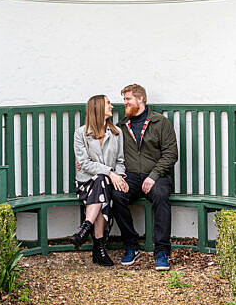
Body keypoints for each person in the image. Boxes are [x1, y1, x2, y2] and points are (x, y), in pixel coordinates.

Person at [112, 83, 178, 271]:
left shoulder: (160, 122)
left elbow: (171, 153)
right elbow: (108, 149)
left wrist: (154, 175)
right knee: (117, 195)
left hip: (157, 175)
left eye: (128, 99)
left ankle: (162, 251)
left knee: (160, 195)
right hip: (132, 176)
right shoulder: (122, 126)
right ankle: (131, 245)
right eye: (124, 99)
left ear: (140, 99)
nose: (124, 103)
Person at [72, 94, 129, 266]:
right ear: (97, 108)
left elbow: (120, 161)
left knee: (102, 183)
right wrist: (110, 173)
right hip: (85, 183)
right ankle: (99, 248)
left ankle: (86, 227)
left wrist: (119, 177)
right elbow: (84, 164)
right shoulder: (81, 133)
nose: (112, 106)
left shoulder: (116, 133)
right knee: (101, 181)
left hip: (107, 184)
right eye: (108, 104)